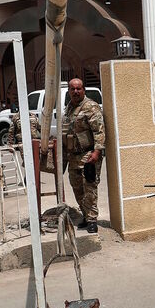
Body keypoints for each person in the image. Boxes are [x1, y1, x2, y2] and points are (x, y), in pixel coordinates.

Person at [56, 78, 105, 232]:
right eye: (72, 89)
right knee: (77, 187)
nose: (75, 92)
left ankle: (92, 220)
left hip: (89, 154)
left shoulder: (90, 107)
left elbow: (99, 131)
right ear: (69, 91)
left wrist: (97, 151)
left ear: (83, 90)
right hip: (73, 156)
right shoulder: (69, 108)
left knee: (89, 186)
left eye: (78, 89)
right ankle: (85, 214)